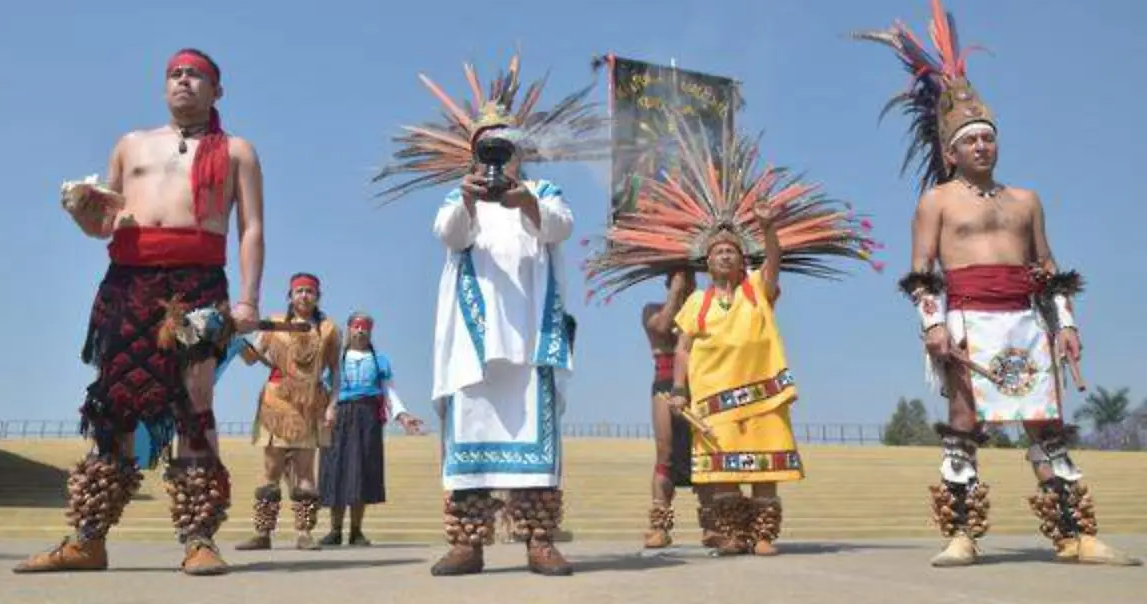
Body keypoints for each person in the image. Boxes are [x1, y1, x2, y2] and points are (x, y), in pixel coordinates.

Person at [854, 0, 1140, 567]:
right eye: (971, 140)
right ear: (951, 151)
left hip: (1026, 320)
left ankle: (1074, 533)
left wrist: (1067, 325)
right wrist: (933, 328)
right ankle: (961, 534)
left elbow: (1049, 268)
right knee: (963, 423)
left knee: (1046, 424)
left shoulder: (1026, 199)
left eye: (989, 136)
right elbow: (921, 272)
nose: (983, 145)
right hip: (965, 320)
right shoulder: (935, 202)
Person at [583, 112, 878, 557]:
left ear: (742, 261)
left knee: (761, 464)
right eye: (717, 251)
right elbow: (675, 343)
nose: (724, 256)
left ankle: (756, 534)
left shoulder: (757, 290)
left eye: (731, 252)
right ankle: (699, 529)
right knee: (701, 465)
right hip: (703, 396)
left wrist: (768, 228)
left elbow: (773, 264)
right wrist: (680, 387)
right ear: (704, 263)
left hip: (759, 392)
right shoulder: (689, 304)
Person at [17, 48, 264, 576]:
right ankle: (88, 538)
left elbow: (251, 228)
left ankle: (199, 538)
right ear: (163, 86)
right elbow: (103, 224)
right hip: (129, 281)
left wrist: (248, 299)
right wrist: (83, 213)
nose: (183, 81)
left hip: (198, 281)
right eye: (175, 73)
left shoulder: (238, 151)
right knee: (114, 403)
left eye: (195, 75)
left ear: (216, 91)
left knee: (195, 402)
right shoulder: (131, 144)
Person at [372, 54, 604, 576]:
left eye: (507, 147)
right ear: (474, 152)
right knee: (471, 440)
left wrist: (522, 200)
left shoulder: (543, 193)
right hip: (473, 344)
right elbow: (448, 235)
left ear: (523, 152)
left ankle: (539, 540)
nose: (499, 156)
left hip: (530, 338)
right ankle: (468, 544)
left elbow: (560, 229)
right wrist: (473, 200)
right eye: (489, 147)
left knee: (535, 441)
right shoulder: (461, 195)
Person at [234, 273, 340, 552]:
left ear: (318, 296)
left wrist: (332, 404)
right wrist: (234, 340)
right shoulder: (273, 324)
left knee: (306, 471)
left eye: (309, 291)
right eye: (299, 291)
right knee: (271, 468)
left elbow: (336, 371)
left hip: (310, 404)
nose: (304, 296)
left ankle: (304, 533)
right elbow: (251, 358)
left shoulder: (329, 329)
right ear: (290, 296)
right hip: (276, 402)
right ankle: (262, 533)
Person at [318, 311, 423, 547]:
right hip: (338, 416)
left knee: (361, 471)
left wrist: (402, 415)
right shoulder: (334, 359)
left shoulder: (380, 360)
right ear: (349, 329)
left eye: (365, 326)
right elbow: (323, 389)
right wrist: (323, 412)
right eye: (356, 326)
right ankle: (335, 530)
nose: (360, 330)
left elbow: (389, 391)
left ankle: (356, 531)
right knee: (336, 471)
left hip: (368, 419)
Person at [641, 269, 698, 549]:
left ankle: (713, 525)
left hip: (702, 386)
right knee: (665, 453)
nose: (687, 284)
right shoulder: (651, 309)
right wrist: (676, 290)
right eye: (679, 279)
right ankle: (659, 526)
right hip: (664, 385)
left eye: (690, 280)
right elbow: (663, 328)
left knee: (705, 455)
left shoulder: (707, 309)